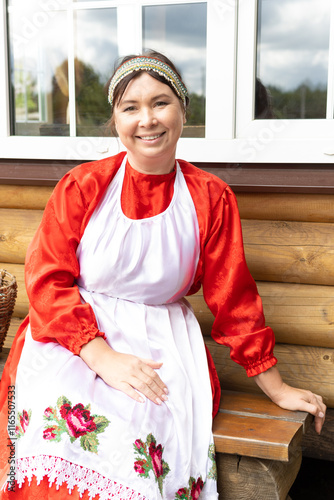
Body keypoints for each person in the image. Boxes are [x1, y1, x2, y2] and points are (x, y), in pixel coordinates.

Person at [0, 50, 326, 500]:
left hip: (161, 342)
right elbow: (46, 282)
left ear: (183, 111)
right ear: (115, 120)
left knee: (144, 430)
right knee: (59, 427)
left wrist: (277, 386)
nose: (147, 119)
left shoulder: (210, 198)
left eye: (160, 102)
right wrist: (103, 358)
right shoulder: (82, 187)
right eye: (130, 107)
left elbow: (234, 302)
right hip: (73, 339)